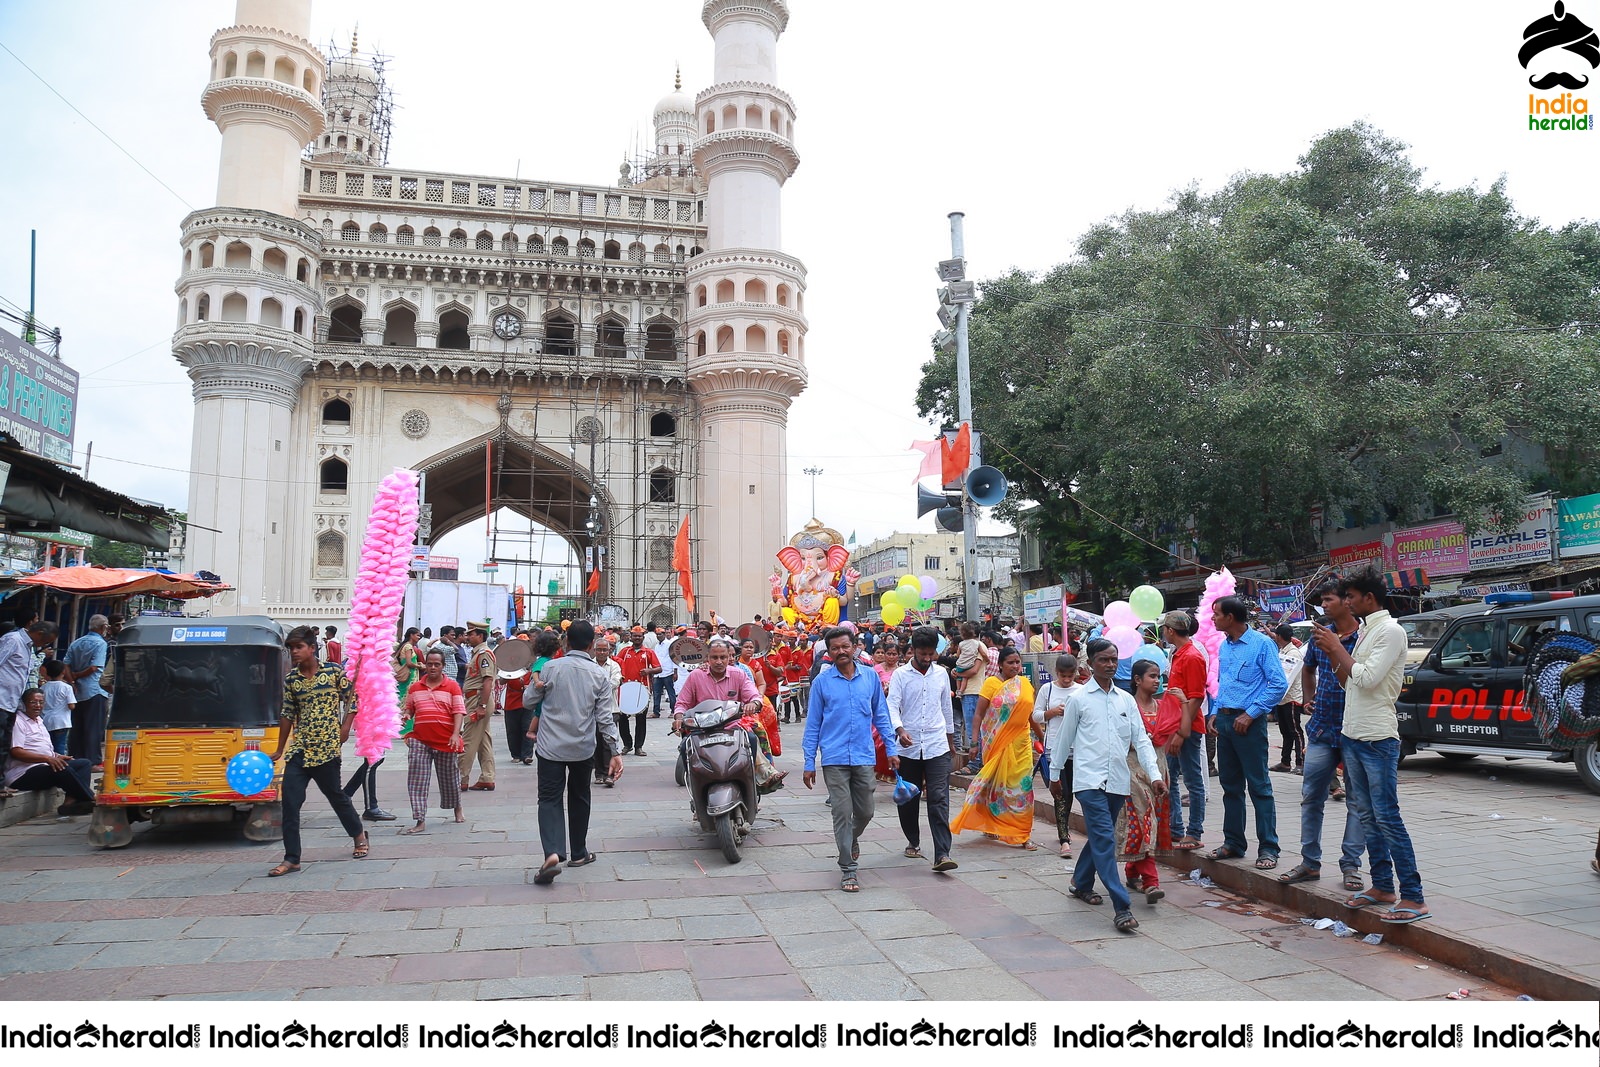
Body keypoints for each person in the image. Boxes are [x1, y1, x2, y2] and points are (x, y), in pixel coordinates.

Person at [1313, 570, 1429, 925]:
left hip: (1378, 737)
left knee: (1387, 815)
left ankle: (1413, 895)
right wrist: (1334, 653)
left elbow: (1366, 678)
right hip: (1353, 733)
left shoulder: (1390, 631)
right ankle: (1382, 886)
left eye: (1351, 596)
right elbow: (1348, 681)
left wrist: (1336, 648)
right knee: (1365, 814)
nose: (1346, 602)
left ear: (1369, 598)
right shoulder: (1365, 631)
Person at [1053, 638, 1168, 934]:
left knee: (1101, 839)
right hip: (1088, 781)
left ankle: (1080, 883)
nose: (1110, 664)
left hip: (1118, 780)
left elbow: (1141, 741)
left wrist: (1154, 775)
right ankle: (1121, 906)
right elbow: (1064, 740)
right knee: (1105, 837)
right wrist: (1054, 775)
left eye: (1114, 659)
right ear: (1089, 663)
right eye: (1103, 659)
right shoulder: (1079, 699)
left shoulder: (1125, 700)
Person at [803, 627, 907, 893]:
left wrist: (892, 750)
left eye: (845, 647)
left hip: (863, 755)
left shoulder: (870, 677)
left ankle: (851, 840)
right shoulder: (822, 683)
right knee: (841, 812)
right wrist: (808, 762)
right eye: (835, 648)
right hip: (834, 757)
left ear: (855, 648)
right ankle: (848, 868)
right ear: (828, 651)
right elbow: (813, 724)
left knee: (866, 811)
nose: (841, 652)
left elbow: (881, 716)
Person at [1278, 582, 1368, 891]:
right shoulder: (1319, 636)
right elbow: (1308, 668)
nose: (1324, 605)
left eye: (1328, 599)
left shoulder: (1365, 636)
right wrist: (1308, 697)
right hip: (1321, 728)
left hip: (1356, 729)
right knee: (1311, 797)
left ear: (1347, 601)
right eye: (1322, 601)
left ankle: (1351, 865)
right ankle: (1309, 862)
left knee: (1357, 800)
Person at [526, 620, 624, 885]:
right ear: (592, 645)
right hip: (582, 747)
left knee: (549, 799)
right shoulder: (599, 674)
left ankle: (553, 853)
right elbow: (605, 718)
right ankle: (579, 853)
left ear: (566, 642)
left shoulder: (549, 668)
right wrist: (615, 751)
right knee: (580, 797)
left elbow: (528, 701)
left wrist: (537, 687)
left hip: (550, 748)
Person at [266, 626, 368, 876]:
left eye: (299, 647)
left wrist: (346, 728)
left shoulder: (333, 672)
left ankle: (358, 835)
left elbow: (352, 699)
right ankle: (292, 858)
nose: (294, 652)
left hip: (326, 749)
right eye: (291, 648)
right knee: (290, 802)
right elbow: (287, 713)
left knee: (336, 796)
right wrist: (280, 749)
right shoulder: (292, 679)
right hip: (299, 750)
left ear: (312, 648)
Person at [1207, 596, 1287, 870]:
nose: (1213, 619)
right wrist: (1215, 711)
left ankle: (1268, 848)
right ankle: (1233, 842)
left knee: (1259, 786)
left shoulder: (1262, 644)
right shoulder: (1224, 646)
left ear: (1230, 617)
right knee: (1230, 786)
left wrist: (1252, 712)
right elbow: (1224, 683)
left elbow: (1278, 685)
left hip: (1249, 725)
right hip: (1226, 721)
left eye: (1217, 614)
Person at [949, 646, 1039, 850]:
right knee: (996, 787)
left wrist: (1042, 737)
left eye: (1018, 662)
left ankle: (1022, 833)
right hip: (996, 743)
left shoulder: (1024, 684)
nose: (1015, 666)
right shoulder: (991, 683)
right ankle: (992, 822)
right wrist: (974, 742)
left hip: (1022, 744)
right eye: (1011, 662)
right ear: (1000, 664)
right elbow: (979, 714)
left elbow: (1029, 714)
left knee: (1022, 790)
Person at [887, 626, 958, 873]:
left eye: (931, 654)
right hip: (908, 747)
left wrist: (951, 741)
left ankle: (942, 853)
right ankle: (913, 840)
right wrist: (899, 730)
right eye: (923, 654)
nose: (927, 659)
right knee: (909, 798)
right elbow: (892, 706)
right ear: (913, 651)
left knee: (939, 798)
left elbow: (946, 708)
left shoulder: (941, 674)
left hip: (937, 745)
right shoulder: (900, 676)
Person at [1123, 659, 1182, 903]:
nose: (1157, 681)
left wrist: (1185, 703)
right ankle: (1151, 882)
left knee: (1152, 822)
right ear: (1137, 680)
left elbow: (1184, 732)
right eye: (1152, 676)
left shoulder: (1162, 706)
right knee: (1144, 821)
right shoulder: (1126, 706)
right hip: (1133, 769)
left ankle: (1132, 870)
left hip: (1159, 769)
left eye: (1159, 676)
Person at [399, 649, 466, 835]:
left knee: (450, 779)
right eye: (430, 664)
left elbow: (458, 712)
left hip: (446, 740)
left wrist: (455, 734)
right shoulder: (415, 688)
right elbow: (410, 709)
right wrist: (405, 715)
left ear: (443, 666)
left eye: (437, 664)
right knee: (417, 780)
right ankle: (419, 819)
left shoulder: (452, 686)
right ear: (425, 665)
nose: (433, 667)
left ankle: (457, 808)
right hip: (420, 740)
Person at [5, 687, 95, 815]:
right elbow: (16, 752)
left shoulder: (39, 721)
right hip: (22, 774)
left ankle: (70, 803)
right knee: (62, 769)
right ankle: (91, 797)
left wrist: (56, 755)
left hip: (43, 766)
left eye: (41, 702)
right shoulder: (18, 721)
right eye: (33, 702)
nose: (38, 706)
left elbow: (42, 747)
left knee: (83, 764)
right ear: (23, 704)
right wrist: (47, 759)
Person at [1161, 610, 1208, 850]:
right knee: (1170, 777)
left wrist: (1181, 732)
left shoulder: (1192, 657)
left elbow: (1197, 697)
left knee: (1192, 780)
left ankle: (1195, 832)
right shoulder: (1178, 654)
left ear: (1170, 630)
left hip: (1187, 727)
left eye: (1164, 628)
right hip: (1175, 725)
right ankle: (1176, 828)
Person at [1034, 653, 1081, 859]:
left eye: (1070, 676)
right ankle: (1064, 838)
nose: (1067, 680)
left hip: (1077, 749)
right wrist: (1052, 712)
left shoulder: (1081, 691)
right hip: (1054, 747)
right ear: (1057, 673)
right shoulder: (1048, 689)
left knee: (1071, 791)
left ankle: (1065, 829)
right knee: (1060, 792)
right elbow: (1035, 715)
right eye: (1063, 675)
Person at [0, 620, 57, 779]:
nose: (44, 645)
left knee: (5, 745)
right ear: (39, 634)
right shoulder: (13, 640)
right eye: (45, 641)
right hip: (2, 700)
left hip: (11, 703)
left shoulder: (27, 647)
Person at [63, 614, 111, 767]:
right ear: (103, 627)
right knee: (93, 727)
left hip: (77, 690)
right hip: (94, 689)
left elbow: (66, 664)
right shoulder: (100, 644)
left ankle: (76, 758)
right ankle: (92, 761)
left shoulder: (77, 642)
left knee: (77, 726)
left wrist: (72, 681)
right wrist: (77, 675)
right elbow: (94, 667)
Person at [458, 624, 498, 791]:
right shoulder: (478, 654)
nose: (468, 637)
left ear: (480, 636)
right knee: (483, 740)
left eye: (471, 634)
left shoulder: (483, 654)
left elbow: (488, 680)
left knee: (468, 739)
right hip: (476, 699)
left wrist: (481, 705)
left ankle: (461, 777)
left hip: (477, 700)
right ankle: (487, 777)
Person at [614, 627, 659, 757]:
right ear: (631, 637)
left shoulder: (648, 652)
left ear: (643, 638)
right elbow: (615, 663)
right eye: (635, 636)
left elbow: (659, 668)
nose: (637, 638)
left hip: (642, 690)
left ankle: (638, 747)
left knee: (641, 720)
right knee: (622, 718)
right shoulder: (624, 651)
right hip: (626, 689)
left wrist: (648, 671)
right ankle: (627, 744)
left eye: (639, 636)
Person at [950, 622, 987, 772]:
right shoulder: (971, 646)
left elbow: (974, 671)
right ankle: (978, 762)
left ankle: (975, 764)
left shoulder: (979, 646)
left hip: (974, 691)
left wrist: (958, 673)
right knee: (974, 728)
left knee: (974, 728)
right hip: (970, 691)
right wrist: (956, 671)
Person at [1269, 625, 1307, 773]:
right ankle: (1285, 762)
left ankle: (1300, 762)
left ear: (1279, 636)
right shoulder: (1283, 651)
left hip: (1291, 698)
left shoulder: (1293, 653)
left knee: (1295, 731)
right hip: (1282, 698)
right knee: (1285, 731)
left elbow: (1287, 678)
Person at [592, 636, 624, 787]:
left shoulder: (614, 666)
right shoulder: (589, 665)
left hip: (611, 709)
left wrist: (595, 690)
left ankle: (608, 774)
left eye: (605, 650)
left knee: (608, 741)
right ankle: (598, 773)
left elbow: (614, 682)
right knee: (595, 741)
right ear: (594, 650)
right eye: (599, 650)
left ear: (609, 650)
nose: (602, 652)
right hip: (592, 710)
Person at [39, 659, 76, 755]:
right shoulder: (66, 687)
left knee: (48, 746)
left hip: (46, 721)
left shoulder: (43, 688)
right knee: (60, 746)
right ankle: (61, 767)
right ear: (63, 672)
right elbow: (71, 706)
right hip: (61, 722)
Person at [651, 632, 678, 718]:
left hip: (667, 671)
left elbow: (674, 658)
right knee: (656, 693)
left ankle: (673, 711)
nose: (659, 636)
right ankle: (656, 712)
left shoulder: (669, 644)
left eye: (660, 634)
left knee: (671, 692)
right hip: (658, 673)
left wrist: (675, 671)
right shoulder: (656, 646)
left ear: (664, 635)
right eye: (657, 635)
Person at [394, 627, 421, 703]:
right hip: (409, 675)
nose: (419, 638)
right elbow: (409, 663)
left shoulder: (405, 645)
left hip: (408, 674)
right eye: (417, 635)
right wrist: (419, 666)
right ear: (411, 635)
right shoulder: (408, 646)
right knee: (407, 695)